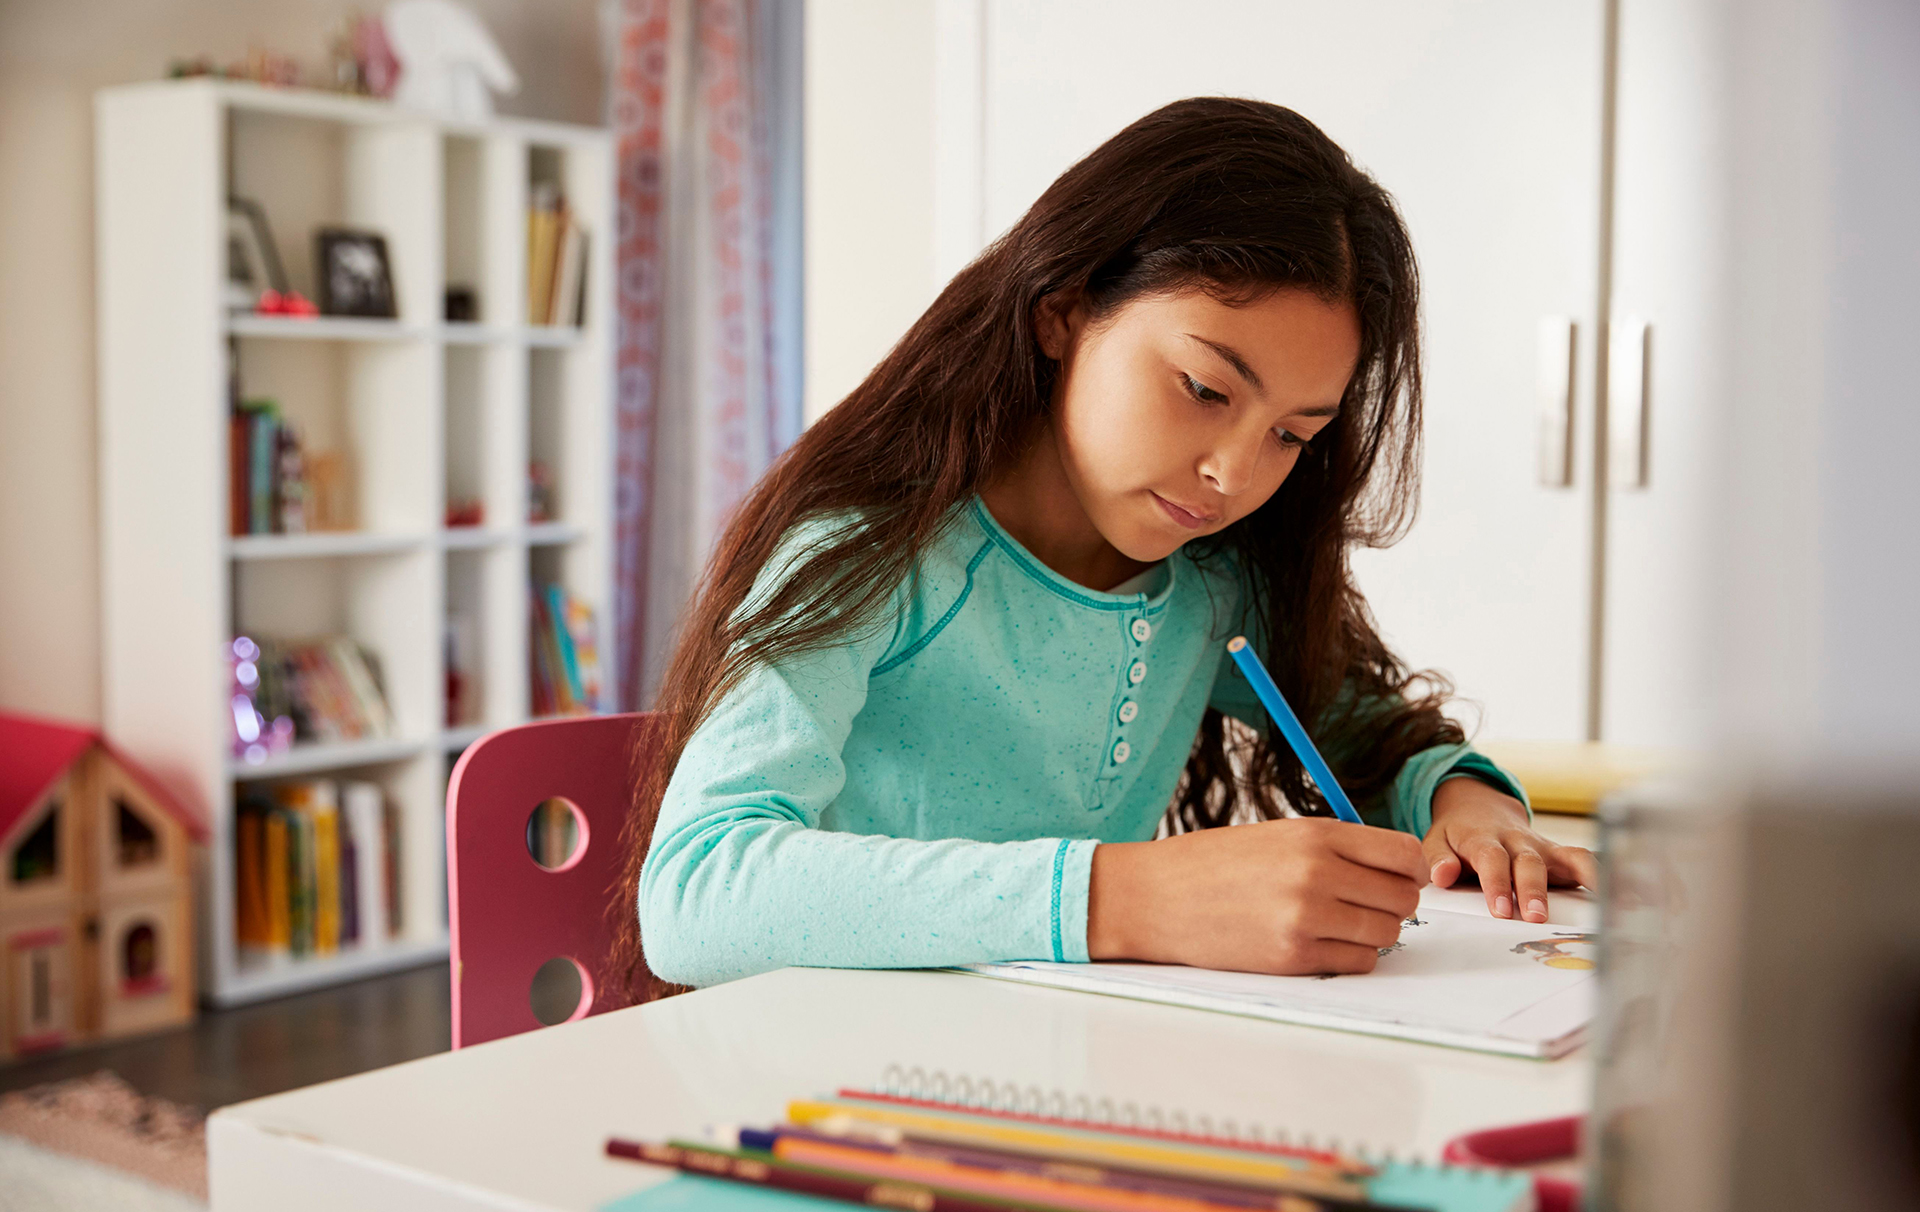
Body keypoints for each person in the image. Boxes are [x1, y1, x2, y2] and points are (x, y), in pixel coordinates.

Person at [615, 97, 1597, 997]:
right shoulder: (870, 553)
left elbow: (1368, 730)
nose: (1234, 473)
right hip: (835, 1091)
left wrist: (1468, 804)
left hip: (1061, 1074)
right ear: (1063, 311)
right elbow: (699, 891)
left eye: (1292, 434)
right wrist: (1127, 898)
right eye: (1206, 389)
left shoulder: (1212, 589)